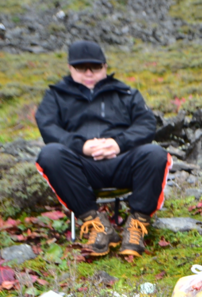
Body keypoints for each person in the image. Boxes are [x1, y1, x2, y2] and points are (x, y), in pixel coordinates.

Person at [35, 41, 169, 257]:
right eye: (81, 68)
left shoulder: (126, 93)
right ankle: (97, 224)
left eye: (95, 67)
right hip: (82, 167)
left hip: (123, 161)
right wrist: (82, 146)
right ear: (70, 68)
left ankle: (137, 225)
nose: (89, 73)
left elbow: (146, 124)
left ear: (105, 66)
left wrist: (119, 143)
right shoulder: (55, 96)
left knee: (155, 154)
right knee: (50, 154)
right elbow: (48, 127)